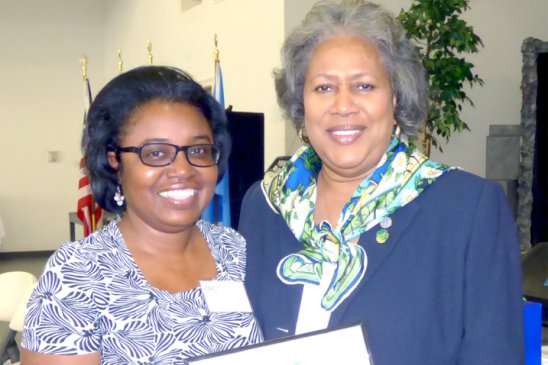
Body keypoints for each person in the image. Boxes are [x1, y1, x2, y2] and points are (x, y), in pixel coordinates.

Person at [239, 1, 524, 364]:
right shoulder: (264, 206)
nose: (343, 105)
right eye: (324, 88)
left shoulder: (466, 210)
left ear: (395, 99)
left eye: (363, 85)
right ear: (302, 105)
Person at [21, 66, 262, 364]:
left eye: (198, 150)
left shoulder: (235, 249)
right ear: (115, 162)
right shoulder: (77, 274)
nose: (184, 170)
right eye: (156, 153)